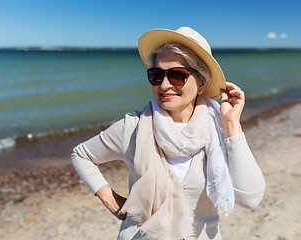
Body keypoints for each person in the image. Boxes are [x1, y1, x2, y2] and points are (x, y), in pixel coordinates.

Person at [71, 26, 265, 240]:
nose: (164, 85)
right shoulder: (134, 127)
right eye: (156, 75)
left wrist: (231, 124)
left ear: (202, 82)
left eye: (177, 75)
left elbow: (251, 198)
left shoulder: (218, 128)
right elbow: (81, 155)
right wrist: (109, 199)